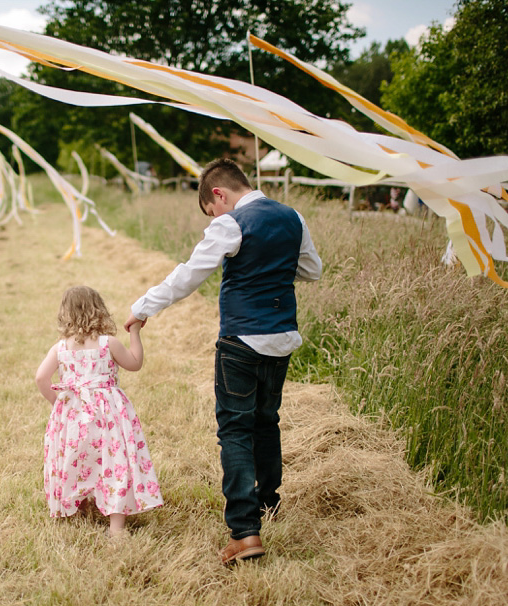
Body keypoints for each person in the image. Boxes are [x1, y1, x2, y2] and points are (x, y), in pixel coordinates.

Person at [124, 158, 322, 564]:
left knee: (234, 429)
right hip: (282, 338)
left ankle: (245, 532)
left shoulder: (232, 223)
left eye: (212, 211)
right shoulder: (292, 217)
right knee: (267, 422)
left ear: (219, 194)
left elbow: (190, 274)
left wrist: (144, 307)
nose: (214, 217)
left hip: (242, 341)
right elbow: (311, 270)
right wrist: (273, 267)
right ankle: (269, 504)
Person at [35, 285, 163, 538]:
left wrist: (58, 404)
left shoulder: (60, 348)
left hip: (74, 414)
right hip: (108, 415)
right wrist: (135, 332)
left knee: (77, 458)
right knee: (114, 461)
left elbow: (41, 377)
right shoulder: (109, 343)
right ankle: (116, 528)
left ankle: (77, 508)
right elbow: (135, 364)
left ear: (65, 314)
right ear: (99, 310)